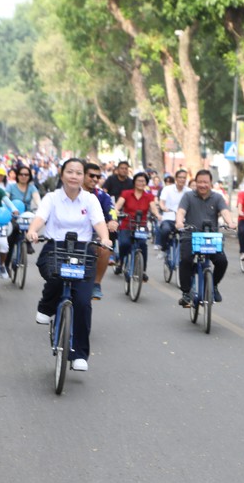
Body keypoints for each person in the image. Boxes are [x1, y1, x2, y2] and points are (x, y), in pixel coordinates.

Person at [25, 158, 111, 372]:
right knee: (56, 274)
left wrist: (105, 238)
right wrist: (33, 231)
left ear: (83, 177)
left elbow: (99, 222)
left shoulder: (90, 200)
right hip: (55, 247)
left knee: (83, 302)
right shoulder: (52, 198)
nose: (74, 176)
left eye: (79, 172)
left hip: (82, 251)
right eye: (70, 172)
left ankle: (80, 355)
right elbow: (40, 217)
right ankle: (46, 306)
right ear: (62, 174)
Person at [174, 169, 236, 307]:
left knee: (222, 261)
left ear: (211, 183)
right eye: (200, 182)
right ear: (195, 182)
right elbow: (181, 211)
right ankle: (185, 293)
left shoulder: (217, 197)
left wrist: (230, 222)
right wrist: (179, 222)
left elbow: (225, 211)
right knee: (185, 260)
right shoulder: (188, 196)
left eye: (205, 182)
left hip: (210, 236)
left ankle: (213, 285)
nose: (203, 185)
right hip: (191, 235)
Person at [81, 163, 118, 299]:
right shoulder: (71, 192)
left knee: (106, 248)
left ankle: (96, 283)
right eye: (91, 175)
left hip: (94, 236)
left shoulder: (103, 196)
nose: (95, 179)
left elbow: (112, 210)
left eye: (98, 176)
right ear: (83, 175)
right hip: (71, 235)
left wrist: (113, 221)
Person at [114, 172, 155, 279]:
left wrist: (158, 215)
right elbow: (117, 206)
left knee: (142, 245)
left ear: (146, 183)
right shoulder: (126, 193)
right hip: (127, 224)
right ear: (134, 182)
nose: (141, 183)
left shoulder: (149, 196)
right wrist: (116, 212)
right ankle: (121, 262)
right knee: (124, 244)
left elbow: (153, 208)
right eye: (139, 181)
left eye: (143, 181)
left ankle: (143, 271)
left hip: (141, 226)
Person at [156, 169, 191, 253]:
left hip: (184, 220)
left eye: (184, 178)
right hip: (169, 218)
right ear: (176, 178)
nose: (182, 179)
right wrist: (163, 207)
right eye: (180, 177)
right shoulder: (167, 189)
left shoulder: (189, 191)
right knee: (165, 230)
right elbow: (161, 202)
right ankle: (163, 249)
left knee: (189, 236)